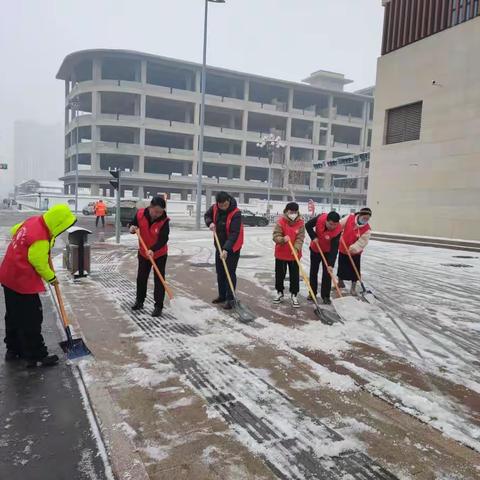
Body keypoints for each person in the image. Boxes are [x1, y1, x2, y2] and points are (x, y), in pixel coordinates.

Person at [0, 204, 77, 367]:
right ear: (58, 223)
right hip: (22, 279)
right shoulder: (41, 237)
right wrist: (52, 278)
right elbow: (38, 261)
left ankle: (13, 350)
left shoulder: (33, 221)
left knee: (14, 315)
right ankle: (36, 355)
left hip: (8, 273)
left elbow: (15, 230)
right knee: (32, 318)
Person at [129, 197, 170, 317]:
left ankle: (158, 306)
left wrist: (153, 250)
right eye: (156, 211)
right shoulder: (140, 214)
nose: (158, 214)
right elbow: (133, 224)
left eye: (160, 212)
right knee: (141, 277)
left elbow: (164, 239)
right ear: (150, 207)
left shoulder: (164, 221)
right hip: (143, 252)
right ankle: (139, 301)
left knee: (159, 279)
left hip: (159, 253)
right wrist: (131, 228)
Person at [204, 191, 244, 310]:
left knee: (229, 273)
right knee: (220, 272)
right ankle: (222, 296)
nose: (223, 207)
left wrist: (226, 249)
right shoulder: (215, 207)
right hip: (219, 245)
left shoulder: (236, 213)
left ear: (229, 200)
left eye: (225, 204)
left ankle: (230, 298)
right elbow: (207, 215)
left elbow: (234, 233)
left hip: (232, 248)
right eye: (220, 205)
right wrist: (209, 223)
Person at [272, 202, 305, 308]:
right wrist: (282, 239)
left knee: (294, 275)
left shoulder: (301, 223)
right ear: (286, 211)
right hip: (281, 253)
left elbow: (300, 237)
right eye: (291, 212)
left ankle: (294, 294)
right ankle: (280, 292)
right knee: (280, 274)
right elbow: (275, 236)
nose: (293, 214)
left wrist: (296, 248)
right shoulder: (281, 222)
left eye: (295, 212)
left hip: (294, 254)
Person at [306, 211, 342, 304]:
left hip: (328, 251)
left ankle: (326, 296)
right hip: (315, 249)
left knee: (327, 273)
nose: (332, 226)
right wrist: (313, 237)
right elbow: (308, 226)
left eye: (335, 224)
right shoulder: (319, 218)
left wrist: (330, 264)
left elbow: (334, 248)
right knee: (314, 271)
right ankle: (312, 293)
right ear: (326, 221)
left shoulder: (338, 230)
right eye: (330, 224)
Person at [337, 207, 372, 295]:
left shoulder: (367, 229)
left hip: (355, 252)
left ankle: (353, 288)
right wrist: (338, 231)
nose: (365, 220)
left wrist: (353, 248)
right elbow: (340, 225)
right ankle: (340, 283)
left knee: (355, 270)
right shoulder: (350, 218)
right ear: (360, 215)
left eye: (367, 219)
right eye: (364, 218)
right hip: (343, 247)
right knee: (341, 267)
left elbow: (362, 242)